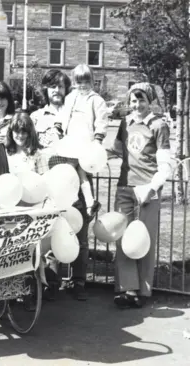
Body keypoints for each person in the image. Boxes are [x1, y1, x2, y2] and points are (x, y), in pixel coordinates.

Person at [108, 83, 171, 309]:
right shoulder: (124, 123)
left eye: (141, 100)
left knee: (144, 240)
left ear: (150, 100)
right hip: (124, 188)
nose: (137, 105)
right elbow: (115, 149)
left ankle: (143, 290)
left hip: (147, 190)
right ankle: (127, 289)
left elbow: (165, 167)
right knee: (122, 238)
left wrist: (151, 189)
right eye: (133, 101)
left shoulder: (159, 125)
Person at [59, 64, 109, 301]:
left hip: (85, 143)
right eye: (79, 81)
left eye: (86, 81)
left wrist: (98, 139)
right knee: (71, 173)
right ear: (74, 81)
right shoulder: (70, 98)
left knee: (81, 171)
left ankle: (89, 202)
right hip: (70, 141)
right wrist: (59, 130)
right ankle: (89, 201)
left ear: (92, 80)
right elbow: (63, 117)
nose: (83, 85)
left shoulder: (96, 100)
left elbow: (101, 121)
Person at [30, 69, 71, 149]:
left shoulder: (74, 115)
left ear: (66, 89)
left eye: (61, 86)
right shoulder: (35, 117)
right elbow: (29, 146)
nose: (57, 90)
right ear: (46, 89)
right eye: (53, 87)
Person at [4, 112, 44, 176]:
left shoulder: (37, 154)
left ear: (30, 133)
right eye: (17, 132)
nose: (20, 135)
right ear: (11, 132)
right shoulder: (5, 154)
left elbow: (44, 180)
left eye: (24, 132)